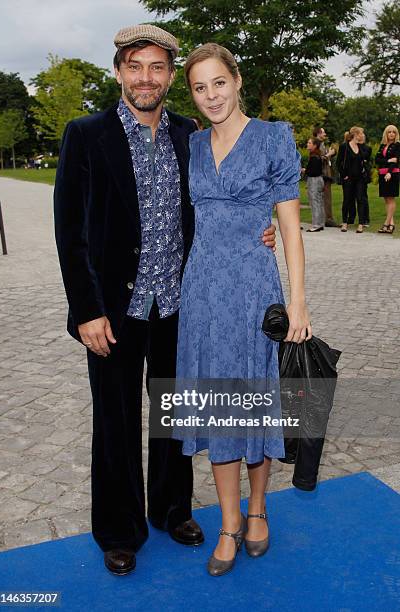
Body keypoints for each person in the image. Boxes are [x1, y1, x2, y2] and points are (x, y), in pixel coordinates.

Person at [53, 25, 277, 576]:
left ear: (172, 76)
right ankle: (120, 530)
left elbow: (214, 204)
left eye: (157, 68)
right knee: (116, 422)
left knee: (177, 414)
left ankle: (174, 511)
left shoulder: (189, 133)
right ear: (118, 72)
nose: (145, 77)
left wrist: (259, 228)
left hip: (182, 304)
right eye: (135, 66)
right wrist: (86, 309)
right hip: (113, 310)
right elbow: (70, 231)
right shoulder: (86, 134)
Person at [175, 43, 312, 577]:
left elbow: (292, 230)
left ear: (237, 80)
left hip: (256, 291)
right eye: (199, 87)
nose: (211, 95)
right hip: (202, 292)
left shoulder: (274, 137)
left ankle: (258, 511)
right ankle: (229, 522)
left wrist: (297, 301)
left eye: (218, 83)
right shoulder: (190, 144)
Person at [336, 126, 368, 234]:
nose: (362, 136)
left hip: (359, 178)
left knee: (360, 199)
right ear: (355, 134)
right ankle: (345, 222)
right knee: (347, 200)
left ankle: (361, 224)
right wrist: (344, 175)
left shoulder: (361, 147)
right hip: (348, 178)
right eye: (360, 134)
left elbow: (364, 160)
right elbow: (338, 163)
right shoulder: (344, 147)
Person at [375, 125, 400, 234]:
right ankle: (392, 224)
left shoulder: (398, 145)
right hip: (382, 174)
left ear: (396, 134)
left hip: (392, 174)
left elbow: (396, 161)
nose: (391, 134)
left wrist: (389, 172)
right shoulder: (382, 145)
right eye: (389, 132)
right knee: (386, 199)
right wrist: (388, 160)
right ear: (386, 133)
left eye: (393, 132)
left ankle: (386, 224)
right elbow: (377, 159)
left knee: (391, 198)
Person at [312, 126, 338, 227]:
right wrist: (329, 154)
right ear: (318, 134)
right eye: (323, 132)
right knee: (324, 198)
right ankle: (327, 219)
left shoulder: (322, 144)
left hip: (326, 174)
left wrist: (332, 153)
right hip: (322, 175)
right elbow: (318, 159)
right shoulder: (316, 145)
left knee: (325, 197)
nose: (325, 134)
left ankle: (325, 218)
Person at [303, 137, 325, 232]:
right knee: (319, 201)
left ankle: (316, 224)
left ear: (314, 145)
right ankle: (320, 223)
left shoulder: (314, 157)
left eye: (309, 143)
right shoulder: (317, 155)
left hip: (314, 180)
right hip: (319, 179)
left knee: (315, 202)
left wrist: (305, 170)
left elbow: (313, 171)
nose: (307, 144)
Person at [358, 131, 372, 226]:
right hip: (353, 175)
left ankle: (365, 219)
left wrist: (359, 147)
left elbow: (364, 156)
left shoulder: (367, 148)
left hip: (363, 176)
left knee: (363, 197)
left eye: (363, 136)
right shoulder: (352, 147)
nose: (361, 138)